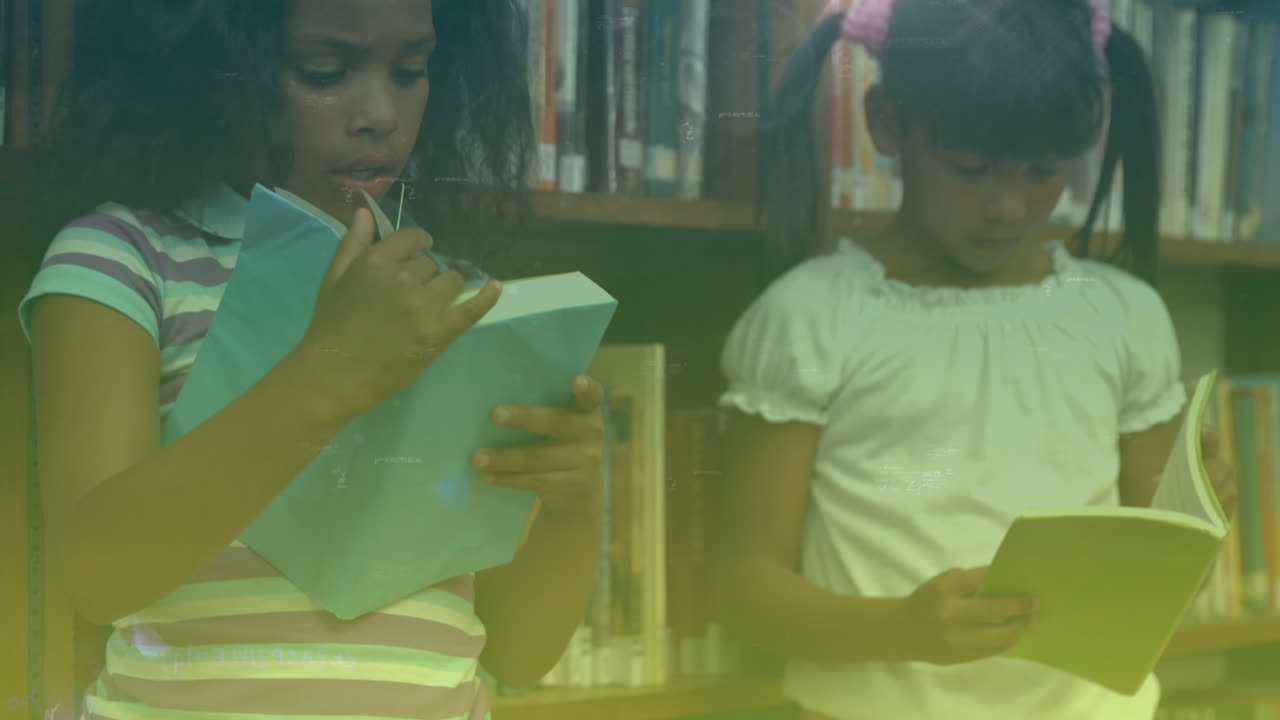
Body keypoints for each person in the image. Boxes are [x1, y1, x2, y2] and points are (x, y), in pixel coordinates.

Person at [18, 2, 604, 719]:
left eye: (411, 70)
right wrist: (325, 377)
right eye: (324, 71)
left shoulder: (450, 299)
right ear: (213, 70)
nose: (380, 114)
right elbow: (97, 577)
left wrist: (573, 506)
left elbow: (516, 653)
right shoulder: (125, 259)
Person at [716, 0, 1238, 718]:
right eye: (970, 167)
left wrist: (1200, 527)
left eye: (1043, 171)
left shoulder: (1122, 316)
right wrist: (900, 629)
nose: (1007, 205)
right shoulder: (810, 316)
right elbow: (745, 590)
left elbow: (1159, 590)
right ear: (887, 122)